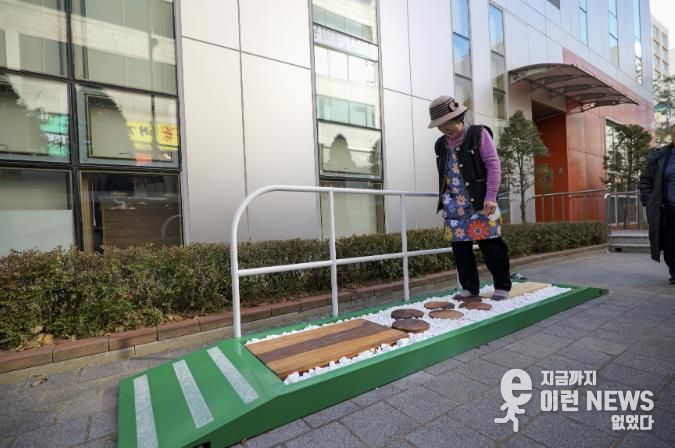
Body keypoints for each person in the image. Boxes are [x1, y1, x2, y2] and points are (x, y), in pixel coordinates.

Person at [428, 95, 512, 300]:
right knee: (460, 250)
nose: (443, 129)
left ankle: (502, 285)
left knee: (491, 246)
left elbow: (493, 165)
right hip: (453, 205)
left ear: (458, 117)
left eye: (446, 123)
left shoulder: (478, 134)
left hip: (481, 201)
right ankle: (470, 288)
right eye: (439, 125)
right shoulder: (440, 144)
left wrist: (491, 196)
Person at [639, 124, 675, 285]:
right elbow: (645, 182)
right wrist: (650, 201)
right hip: (668, 209)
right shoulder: (660, 157)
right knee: (670, 242)